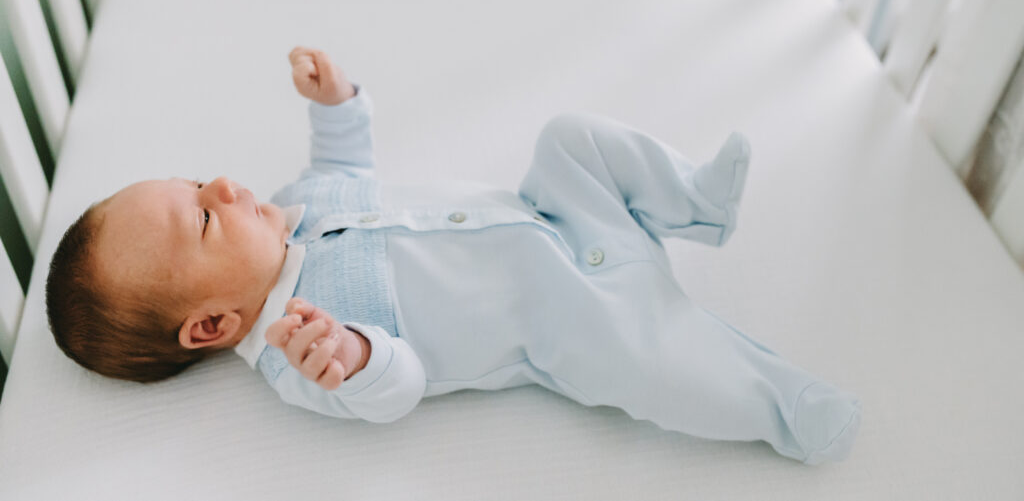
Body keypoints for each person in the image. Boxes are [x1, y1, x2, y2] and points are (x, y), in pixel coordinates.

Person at [46, 47, 861, 465]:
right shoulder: (299, 350)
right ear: (213, 323)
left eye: (197, 181)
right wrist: (351, 357)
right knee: (660, 368)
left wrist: (337, 103)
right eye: (202, 217)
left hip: (551, 209)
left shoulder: (299, 202)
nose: (223, 185)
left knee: (568, 136)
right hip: (567, 319)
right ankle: (787, 409)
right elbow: (396, 388)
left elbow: (345, 163)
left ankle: (694, 201)